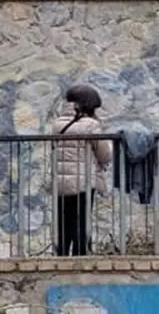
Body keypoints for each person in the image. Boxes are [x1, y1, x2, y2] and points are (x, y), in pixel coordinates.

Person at [51, 84, 112, 256]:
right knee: (81, 221)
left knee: (64, 222)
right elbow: (104, 155)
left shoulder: (57, 124)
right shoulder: (90, 126)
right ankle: (81, 257)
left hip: (61, 182)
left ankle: (61, 257)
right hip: (83, 182)